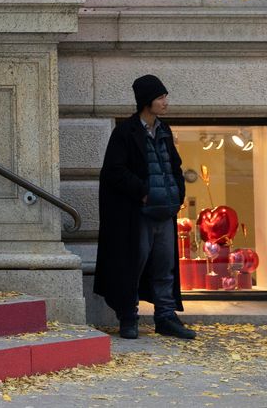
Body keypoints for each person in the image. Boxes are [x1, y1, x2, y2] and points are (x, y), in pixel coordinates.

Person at [94, 75, 196, 341]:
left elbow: (174, 166)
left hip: (165, 212)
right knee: (133, 266)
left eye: (165, 97)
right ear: (146, 101)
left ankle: (165, 317)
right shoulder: (125, 132)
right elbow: (114, 171)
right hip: (138, 215)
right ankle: (128, 317)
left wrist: (178, 195)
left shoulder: (164, 130)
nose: (165, 102)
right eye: (160, 97)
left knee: (165, 267)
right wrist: (143, 193)